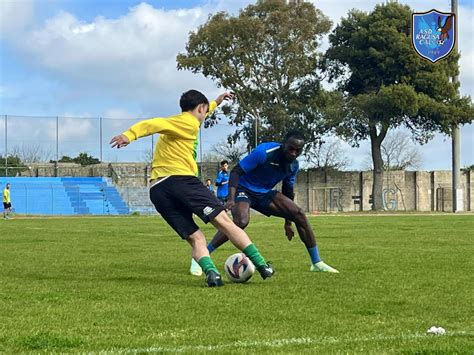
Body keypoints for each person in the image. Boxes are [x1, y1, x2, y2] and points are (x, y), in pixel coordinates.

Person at [110, 89, 274, 287]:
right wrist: (130, 135)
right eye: (205, 111)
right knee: (225, 223)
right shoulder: (186, 122)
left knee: (196, 237)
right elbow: (152, 124)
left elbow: (205, 111)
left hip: (157, 190)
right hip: (180, 180)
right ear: (199, 108)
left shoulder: (188, 121)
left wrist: (217, 102)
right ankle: (262, 265)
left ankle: (212, 274)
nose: (205, 116)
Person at [189, 130, 339, 276]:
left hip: (265, 193)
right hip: (243, 189)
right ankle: (201, 256)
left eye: (298, 150)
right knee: (241, 221)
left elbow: (288, 190)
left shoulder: (293, 165)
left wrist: (288, 222)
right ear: (283, 144)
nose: (293, 153)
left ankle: (317, 263)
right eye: (291, 148)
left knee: (299, 214)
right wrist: (231, 199)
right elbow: (236, 172)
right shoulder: (264, 152)